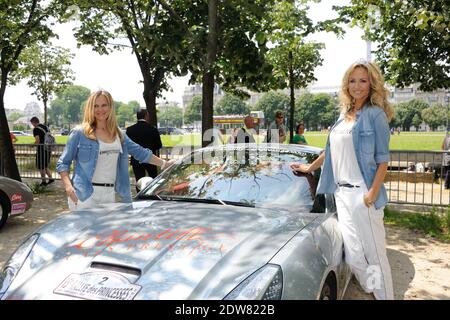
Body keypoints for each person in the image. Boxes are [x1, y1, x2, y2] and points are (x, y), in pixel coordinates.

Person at [290, 60, 394, 300]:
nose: (357, 85)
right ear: (347, 84)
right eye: (353, 80)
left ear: (372, 84)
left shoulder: (375, 115)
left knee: (376, 256)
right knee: (355, 256)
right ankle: (374, 289)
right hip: (341, 195)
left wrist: (370, 195)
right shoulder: (344, 115)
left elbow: (383, 161)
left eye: (363, 80)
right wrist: (310, 167)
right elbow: (331, 150)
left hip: (363, 195)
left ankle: (384, 295)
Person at [56, 90, 174, 211]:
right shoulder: (80, 133)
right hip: (84, 195)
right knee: (84, 230)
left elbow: (140, 152)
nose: (100, 109)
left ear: (110, 107)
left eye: (104, 105)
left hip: (109, 194)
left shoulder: (119, 134)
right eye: (95, 105)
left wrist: (165, 164)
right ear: (90, 108)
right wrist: (69, 188)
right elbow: (63, 163)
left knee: (105, 230)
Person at [126, 109, 163, 190]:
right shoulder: (153, 129)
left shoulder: (130, 129)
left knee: (139, 181)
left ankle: (140, 198)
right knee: (153, 181)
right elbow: (158, 145)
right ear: (146, 116)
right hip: (151, 158)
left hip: (136, 159)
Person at [30, 117, 54, 186]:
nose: (32, 125)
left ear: (33, 122)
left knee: (41, 166)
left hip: (41, 149)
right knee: (45, 165)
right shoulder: (46, 127)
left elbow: (38, 141)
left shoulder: (36, 129)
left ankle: (44, 181)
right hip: (48, 149)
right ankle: (51, 178)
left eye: (32, 123)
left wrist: (31, 145)